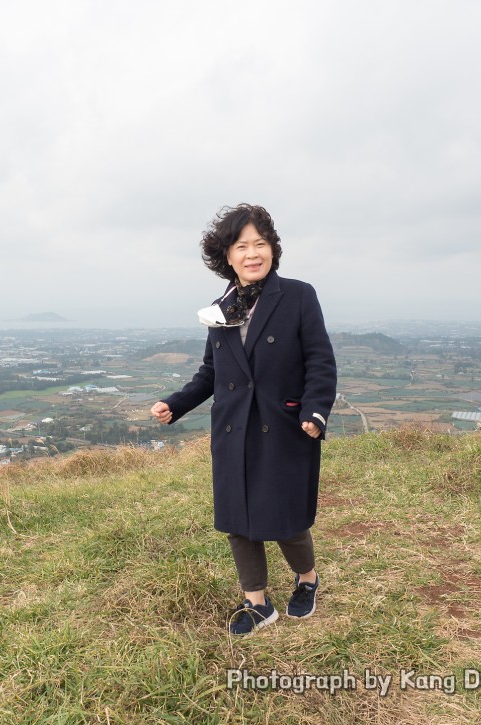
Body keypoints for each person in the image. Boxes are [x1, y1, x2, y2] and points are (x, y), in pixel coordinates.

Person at [151, 204, 337, 636]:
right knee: (238, 518)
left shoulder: (298, 295)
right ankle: (257, 602)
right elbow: (211, 373)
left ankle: (307, 579)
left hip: (285, 424)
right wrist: (175, 404)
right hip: (234, 428)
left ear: (272, 249)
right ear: (227, 256)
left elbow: (320, 361)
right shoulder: (221, 309)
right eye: (242, 246)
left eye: (260, 244)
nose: (253, 253)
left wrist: (315, 410)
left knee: (286, 516)